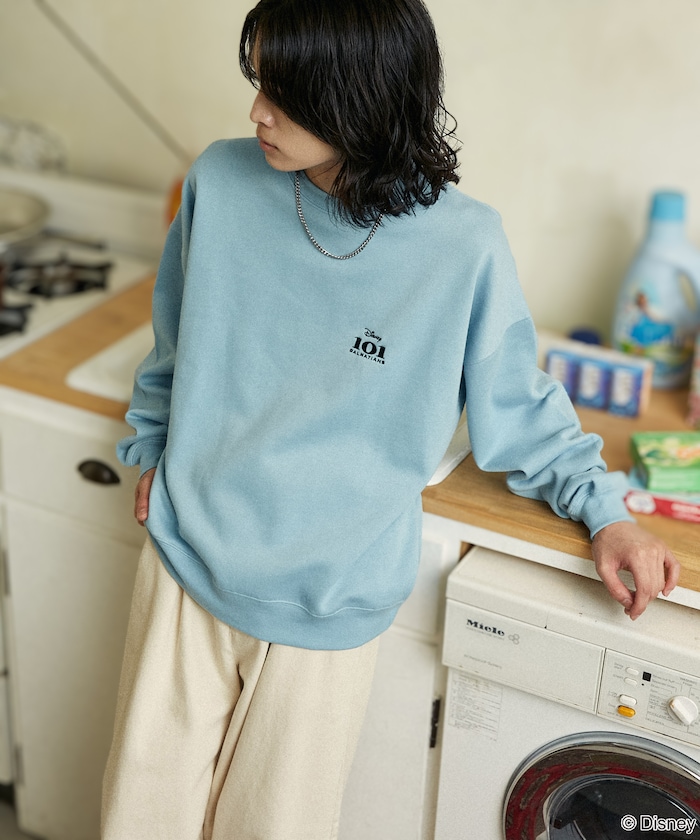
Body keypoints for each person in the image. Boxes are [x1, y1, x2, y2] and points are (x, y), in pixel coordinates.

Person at [101, 0, 680, 837]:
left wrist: (607, 513)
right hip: (184, 561)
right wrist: (152, 447)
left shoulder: (462, 247)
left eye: (286, 94)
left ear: (359, 96)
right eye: (260, 82)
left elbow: (517, 408)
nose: (258, 111)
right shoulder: (219, 182)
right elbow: (173, 342)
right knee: (137, 822)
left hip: (328, 603)